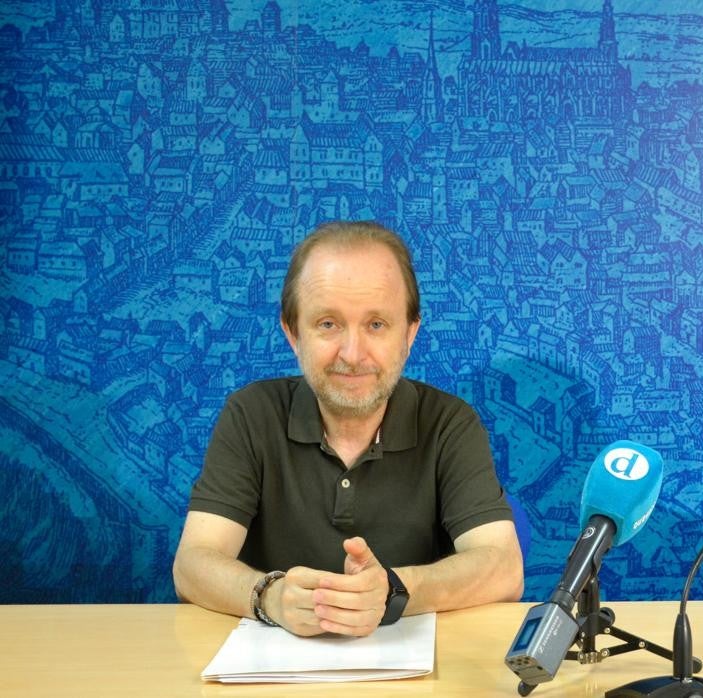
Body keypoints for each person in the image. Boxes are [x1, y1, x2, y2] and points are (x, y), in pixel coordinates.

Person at [173, 220, 523, 637]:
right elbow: (192, 565)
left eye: (376, 324)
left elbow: (504, 569)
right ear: (292, 333)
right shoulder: (251, 413)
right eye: (328, 324)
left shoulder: (450, 423)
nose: (353, 354)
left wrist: (391, 589)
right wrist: (271, 596)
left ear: (410, 333)